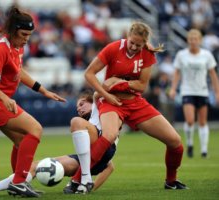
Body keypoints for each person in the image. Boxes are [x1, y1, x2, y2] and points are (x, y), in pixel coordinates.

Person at [68, 21, 188, 192]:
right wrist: (106, 93)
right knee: (108, 135)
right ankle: (77, 180)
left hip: (135, 103)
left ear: (144, 43)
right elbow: (89, 73)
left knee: (175, 142)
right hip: (112, 102)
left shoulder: (146, 52)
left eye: (138, 45)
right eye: (132, 42)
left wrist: (118, 82)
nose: (133, 47)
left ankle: (171, 180)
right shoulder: (113, 48)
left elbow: (141, 86)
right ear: (127, 36)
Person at [0, 7, 66, 198]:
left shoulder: (18, 47)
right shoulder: (1, 48)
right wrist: (5, 98)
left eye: (29, 35)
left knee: (22, 141)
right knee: (36, 129)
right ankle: (19, 182)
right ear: (14, 30)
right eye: (23, 34)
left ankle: (18, 183)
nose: (26, 39)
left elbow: (18, 72)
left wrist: (43, 90)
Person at [0, 91, 118, 197]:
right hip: (86, 160)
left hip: (101, 148)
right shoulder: (88, 127)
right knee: (33, 166)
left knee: (76, 122)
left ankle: (84, 179)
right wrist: (91, 188)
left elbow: (98, 93)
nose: (78, 107)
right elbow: (110, 167)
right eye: (77, 105)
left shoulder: (101, 109)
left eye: (82, 103)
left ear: (93, 103)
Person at [169, 29, 219, 158]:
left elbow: (213, 75)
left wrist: (217, 92)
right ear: (188, 40)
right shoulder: (182, 55)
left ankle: (204, 150)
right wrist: (173, 88)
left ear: (200, 40)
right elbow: (177, 72)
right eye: (191, 39)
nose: (193, 41)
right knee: (190, 120)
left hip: (202, 91)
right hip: (187, 91)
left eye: (195, 39)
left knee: (202, 122)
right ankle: (190, 144)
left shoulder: (206, 55)